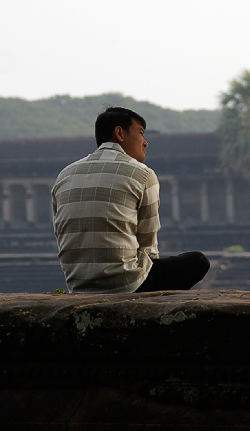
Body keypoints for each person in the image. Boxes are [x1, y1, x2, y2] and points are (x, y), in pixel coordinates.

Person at [51, 106, 210, 294]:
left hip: (78, 285)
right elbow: (148, 246)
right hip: (125, 285)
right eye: (141, 133)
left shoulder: (64, 175)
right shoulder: (143, 174)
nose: (145, 143)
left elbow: (61, 233)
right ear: (120, 133)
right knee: (198, 262)